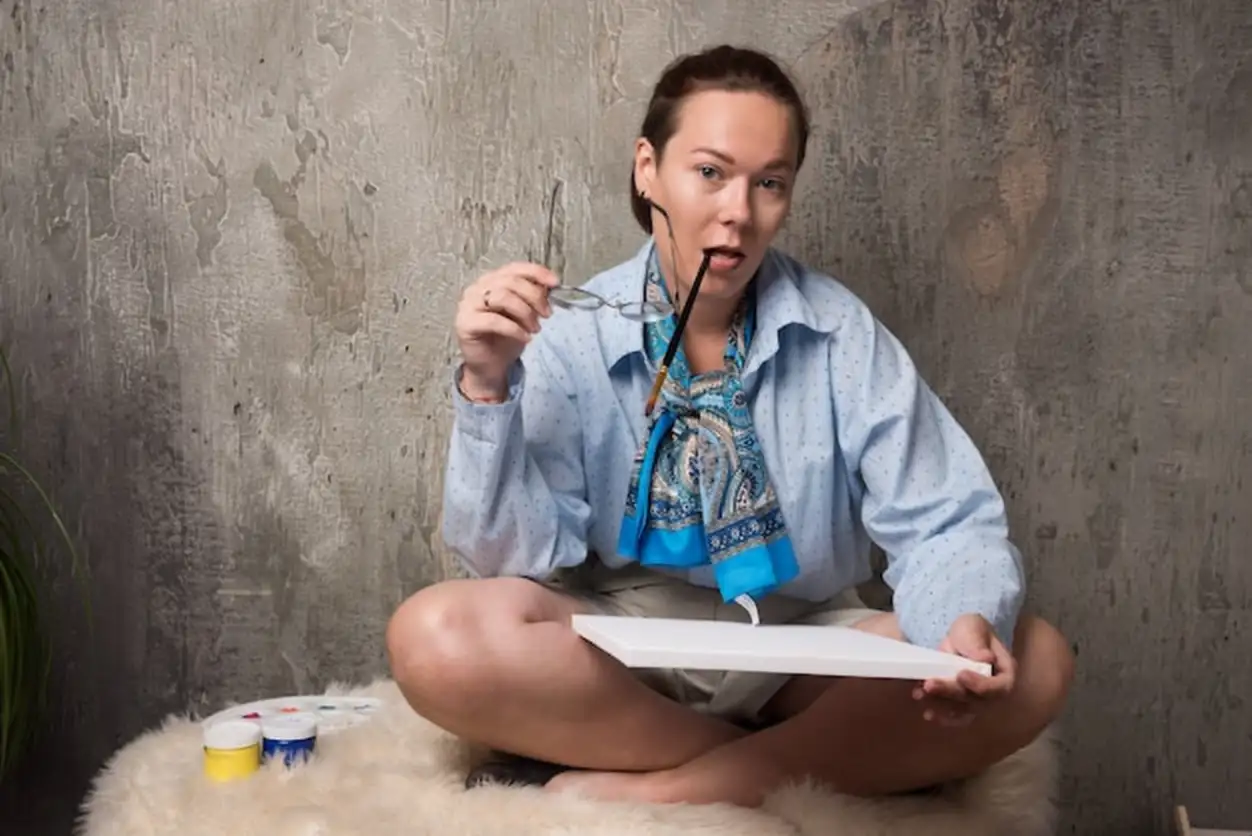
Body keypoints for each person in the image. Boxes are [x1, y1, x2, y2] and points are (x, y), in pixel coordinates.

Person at [386, 44, 1075, 809]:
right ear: (649, 170)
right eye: (709, 172)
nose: (738, 214)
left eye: (769, 183)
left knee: (1034, 658)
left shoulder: (838, 331)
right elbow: (513, 561)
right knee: (435, 635)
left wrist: (965, 624)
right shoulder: (572, 332)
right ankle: (771, 769)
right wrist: (487, 382)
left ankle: (673, 787)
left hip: (801, 651)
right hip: (623, 653)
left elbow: (946, 523)